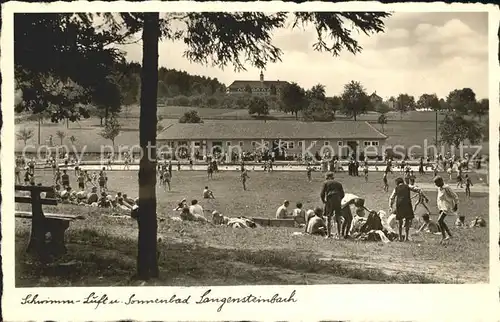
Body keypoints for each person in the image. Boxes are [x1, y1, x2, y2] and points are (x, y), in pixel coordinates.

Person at [388, 177, 424, 241]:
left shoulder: (396, 188)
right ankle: (406, 237)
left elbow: (392, 198)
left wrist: (390, 206)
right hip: (407, 204)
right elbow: (417, 189)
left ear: (397, 183)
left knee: (400, 221)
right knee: (407, 221)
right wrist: (421, 193)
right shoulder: (407, 186)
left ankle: (400, 237)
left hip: (399, 205)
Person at [433, 176, 459, 242]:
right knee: (441, 221)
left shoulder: (447, 188)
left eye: (436, 183)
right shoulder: (440, 188)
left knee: (439, 220)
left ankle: (444, 236)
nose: (435, 185)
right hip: (442, 207)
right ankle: (449, 235)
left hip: (447, 206)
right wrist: (440, 208)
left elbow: (455, 196)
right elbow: (440, 198)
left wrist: (456, 205)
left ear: (440, 182)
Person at [320, 172, 345, 239]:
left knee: (328, 217)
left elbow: (322, 194)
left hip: (330, 199)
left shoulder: (325, 183)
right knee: (338, 217)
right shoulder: (339, 184)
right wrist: (339, 199)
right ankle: (339, 234)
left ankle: (328, 234)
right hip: (337, 200)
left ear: (327, 177)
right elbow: (343, 194)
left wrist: (324, 201)